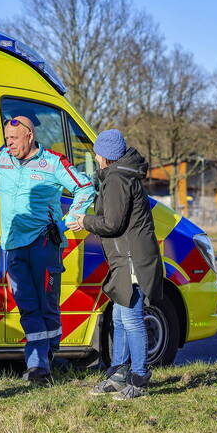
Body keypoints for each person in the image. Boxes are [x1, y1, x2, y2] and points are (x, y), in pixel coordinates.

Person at [0, 115, 94, 385]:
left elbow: (85, 187)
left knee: (46, 303)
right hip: (12, 246)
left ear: (29, 136)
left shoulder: (53, 162)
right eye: (6, 139)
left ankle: (47, 357)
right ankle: (38, 365)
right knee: (27, 305)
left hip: (44, 245)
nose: (9, 143)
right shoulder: (2, 159)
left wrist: (66, 222)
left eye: (13, 139)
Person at [68, 129, 162, 400]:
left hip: (132, 259)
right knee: (120, 319)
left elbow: (112, 223)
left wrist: (84, 221)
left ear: (105, 155)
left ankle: (140, 377)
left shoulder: (118, 179)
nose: (95, 156)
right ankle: (119, 373)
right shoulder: (120, 175)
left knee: (131, 320)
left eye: (97, 152)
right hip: (126, 257)